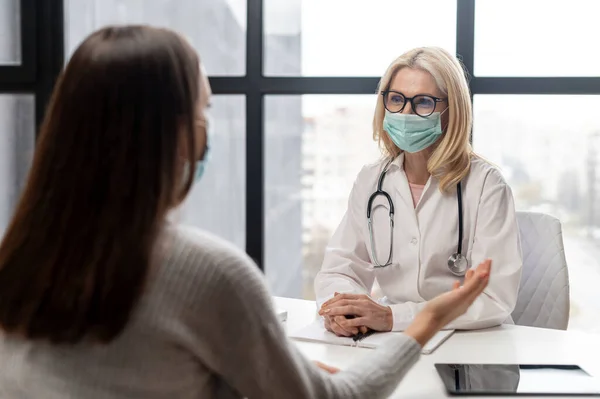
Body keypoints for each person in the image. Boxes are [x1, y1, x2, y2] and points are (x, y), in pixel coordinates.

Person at [0, 26, 490, 399]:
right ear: (177, 135)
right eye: (205, 109)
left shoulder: (18, 263)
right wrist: (426, 320)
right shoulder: (208, 272)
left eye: (423, 102)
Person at [314, 47, 522, 337]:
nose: (406, 113)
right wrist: (343, 310)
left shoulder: (487, 185)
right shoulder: (372, 179)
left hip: (469, 340)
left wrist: (390, 317)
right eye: (397, 99)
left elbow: (493, 299)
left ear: (452, 110)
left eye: (423, 102)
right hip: (392, 339)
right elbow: (340, 269)